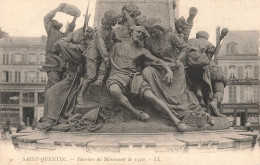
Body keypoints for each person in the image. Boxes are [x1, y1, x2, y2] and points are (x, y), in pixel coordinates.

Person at [106, 26, 187, 132]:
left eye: (142, 33)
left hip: (134, 76)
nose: (140, 34)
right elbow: (107, 60)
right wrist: (101, 76)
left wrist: (169, 70)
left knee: (150, 96)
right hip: (117, 75)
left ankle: (175, 119)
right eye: (138, 31)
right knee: (114, 90)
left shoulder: (142, 51)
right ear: (131, 32)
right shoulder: (117, 46)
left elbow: (159, 60)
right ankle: (137, 113)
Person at [77, 10, 121, 105]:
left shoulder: (111, 30)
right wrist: (106, 58)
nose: (116, 22)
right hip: (93, 55)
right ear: (110, 20)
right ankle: (80, 95)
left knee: (102, 71)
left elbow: (117, 39)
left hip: (101, 55)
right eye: (115, 20)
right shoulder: (99, 32)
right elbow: (101, 46)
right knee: (91, 76)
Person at [41, 3, 78, 92]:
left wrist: (75, 18)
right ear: (53, 24)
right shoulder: (51, 30)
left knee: (57, 84)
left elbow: (70, 29)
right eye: (54, 20)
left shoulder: (62, 35)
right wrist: (57, 9)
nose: (57, 21)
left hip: (61, 61)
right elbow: (46, 18)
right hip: (52, 60)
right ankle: (53, 102)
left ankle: (50, 100)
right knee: (55, 84)